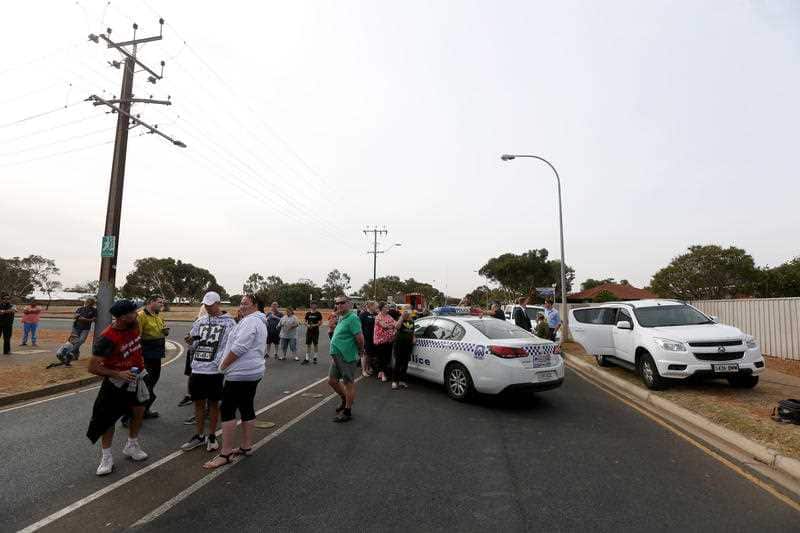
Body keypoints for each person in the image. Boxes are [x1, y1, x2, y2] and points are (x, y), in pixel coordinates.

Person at [86, 299, 149, 476]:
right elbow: (93, 367)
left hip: (137, 377)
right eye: (133, 312)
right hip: (116, 382)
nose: (137, 314)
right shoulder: (107, 337)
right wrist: (118, 374)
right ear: (122, 317)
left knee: (138, 411)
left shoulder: (134, 324)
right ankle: (106, 457)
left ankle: (132, 445)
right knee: (108, 419)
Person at [204, 294, 267, 469]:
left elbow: (240, 347)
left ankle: (225, 453)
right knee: (246, 406)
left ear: (255, 305)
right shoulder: (259, 321)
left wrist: (223, 365)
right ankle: (246, 446)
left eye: (245, 303)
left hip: (240, 373)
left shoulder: (251, 321)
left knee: (227, 409)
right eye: (241, 303)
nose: (241, 306)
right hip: (253, 371)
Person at [181, 291, 236, 453]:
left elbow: (230, 345)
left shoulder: (229, 323)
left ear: (218, 304)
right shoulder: (200, 321)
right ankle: (199, 436)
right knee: (198, 403)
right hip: (197, 368)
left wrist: (221, 364)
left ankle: (212, 436)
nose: (208, 308)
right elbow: (193, 343)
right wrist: (190, 341)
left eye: (211, 305)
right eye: (205, 305)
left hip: (214, 371)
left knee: (213, 403)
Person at [328, 296, 364, 423]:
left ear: (349, 304)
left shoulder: (353, 318)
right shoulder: (341, 317)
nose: (339, 305)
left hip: (346, 356)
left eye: (342, 303)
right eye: (337, 303)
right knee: (332, 381)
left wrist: (360, 351)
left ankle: (347, 411)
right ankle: (345, 399)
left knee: (348, 383)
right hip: (336, 356)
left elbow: (360, 338)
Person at [136, 295, 168, 419]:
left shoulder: (158, 316)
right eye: (159, 302)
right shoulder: (141, 316)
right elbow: (137, 338)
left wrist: (165, 332)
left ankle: (145, 410)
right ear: (151, 302)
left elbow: (161, 330)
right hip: (146, 355)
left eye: (162, 302)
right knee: (144, 385)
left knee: (153, 382)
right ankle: (130, 416)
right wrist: (139, 358)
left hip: (157, 355)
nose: (162, 304)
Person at [373, 302, 396, 383]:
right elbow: (384, 326)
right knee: (382, 358)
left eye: (387, 307)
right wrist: (391, 325)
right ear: (382, 308)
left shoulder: (389, 316)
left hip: (389, 340)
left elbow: (395, 324)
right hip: (380, 341)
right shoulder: (378, 317)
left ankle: (381, 372)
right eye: (385, 307)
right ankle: (383, 374)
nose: (387, 308)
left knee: (387, 357)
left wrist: (390, 325)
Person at [392, 310, 415, 390]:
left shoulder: (412, 322)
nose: (408, 314)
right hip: (399, 345)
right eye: (406, 313)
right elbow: (397, 327)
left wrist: (414, 338)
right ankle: (395, 381)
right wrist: (401, 317)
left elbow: (412, 332)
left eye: (409, 313)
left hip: (408, 346)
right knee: (398, 363)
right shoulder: (401, 320)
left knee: (405, 364)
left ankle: (402, 381)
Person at [358, 301, 377, 377]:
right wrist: (361, 336)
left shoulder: (375, 314)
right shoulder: (363, 315)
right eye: (375, 306)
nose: (376, 307)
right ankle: (363, 370)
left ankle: (368, 368)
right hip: (365, 337)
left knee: (370, 354)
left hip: (373, 337)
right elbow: (359, 326)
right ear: (370, 306)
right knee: (364, 354)